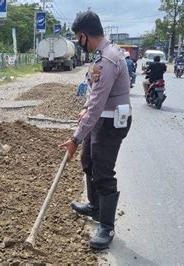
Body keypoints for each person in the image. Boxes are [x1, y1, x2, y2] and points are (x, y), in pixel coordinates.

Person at [60, 11, 132, 250]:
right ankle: (95, 206)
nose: (79, 44)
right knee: (87, 160)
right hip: (99, 118)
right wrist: (84, 109)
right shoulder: (102, 55)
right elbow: (93, 94)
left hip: (110, 122)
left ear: (83, 36)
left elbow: (98, 104)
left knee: (103, 171)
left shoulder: (108, 59)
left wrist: (75, 138)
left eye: (78, 39)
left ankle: (107, 226)